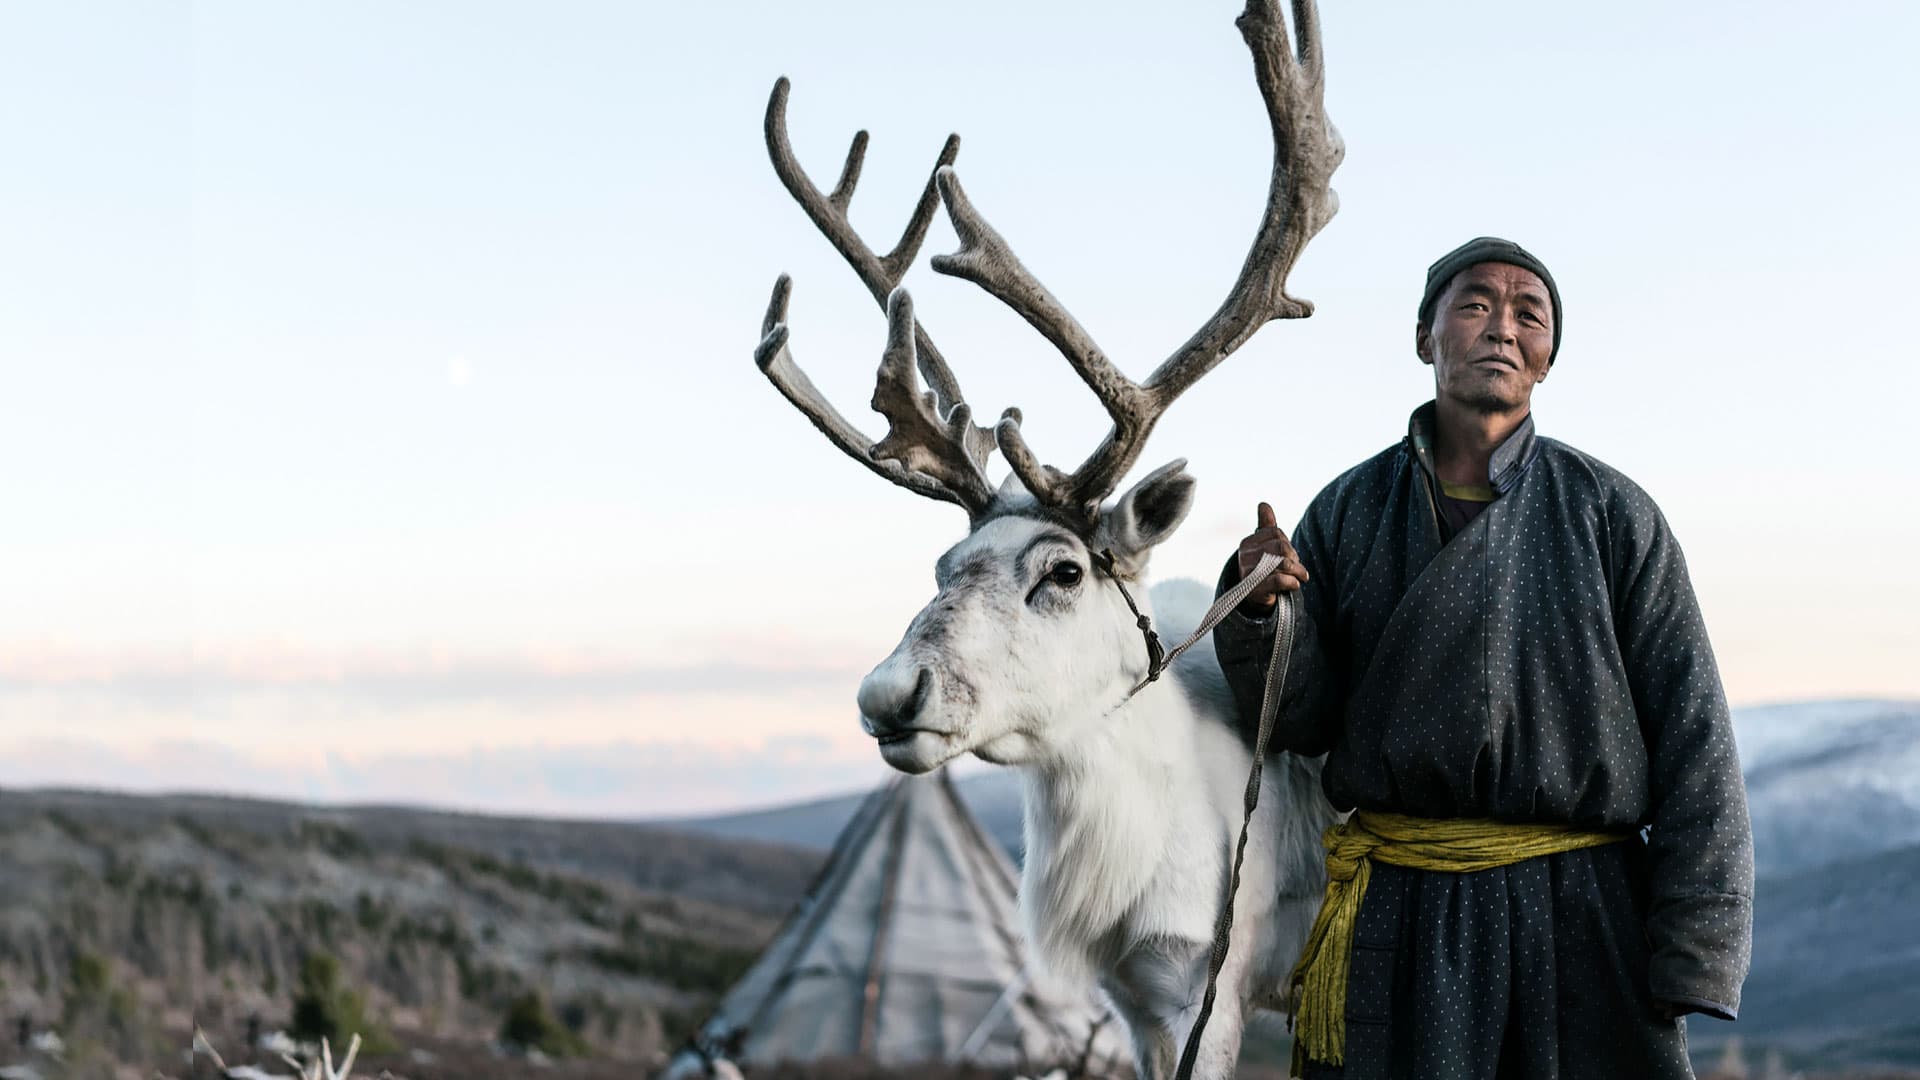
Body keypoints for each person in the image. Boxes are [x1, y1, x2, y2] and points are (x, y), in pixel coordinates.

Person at [1214, 237, 1752, 1079]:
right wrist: (1258, 612)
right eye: (1473, 305)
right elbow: (1303, 718)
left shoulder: (1611, 514)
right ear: (1426, 336)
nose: (1501, 327)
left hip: (1582, 914)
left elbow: (1695, 735)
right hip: (1402, 908)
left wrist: (1696, 944)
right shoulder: (1349, 511)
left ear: (1546, 358)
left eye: (1526, 313)